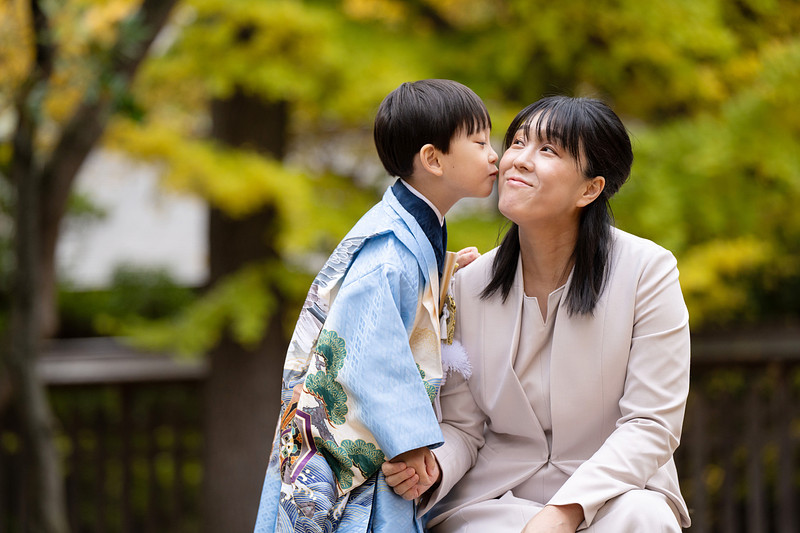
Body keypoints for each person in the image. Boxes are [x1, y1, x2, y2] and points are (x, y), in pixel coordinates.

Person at [383, 95, 691, 532]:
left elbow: (650, 423)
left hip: (614, 495)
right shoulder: (467, 285)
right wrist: (432, 465)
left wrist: (564, 512)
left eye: (548, 149)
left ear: (590, 189)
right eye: (518, 142)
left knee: (645, 518)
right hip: (495, 501)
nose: (519, 160)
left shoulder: (647, 272)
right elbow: (463, 427)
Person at [253, 79, 498, 533]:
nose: (494, 156)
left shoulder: (407, 234)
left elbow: (395, 310)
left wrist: (443, 275)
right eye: (480, 143)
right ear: (433, 159)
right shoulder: (389, 253)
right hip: (361, 455)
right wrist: (411, 443)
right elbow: (370, 355)